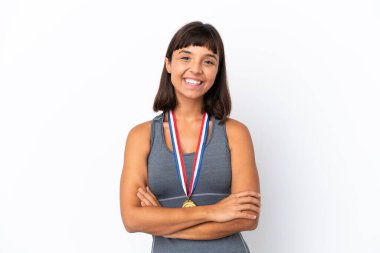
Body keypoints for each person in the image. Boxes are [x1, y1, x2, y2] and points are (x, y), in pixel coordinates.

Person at [119, 21, 261, 253]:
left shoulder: (236, 133)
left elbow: (248, 218)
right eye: (186, 57)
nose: (196, 69)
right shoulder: (141, 136)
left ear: (217, 70)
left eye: (208, 61)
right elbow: (132, 220)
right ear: (168, 64)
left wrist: (160, 220)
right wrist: (212, 211)